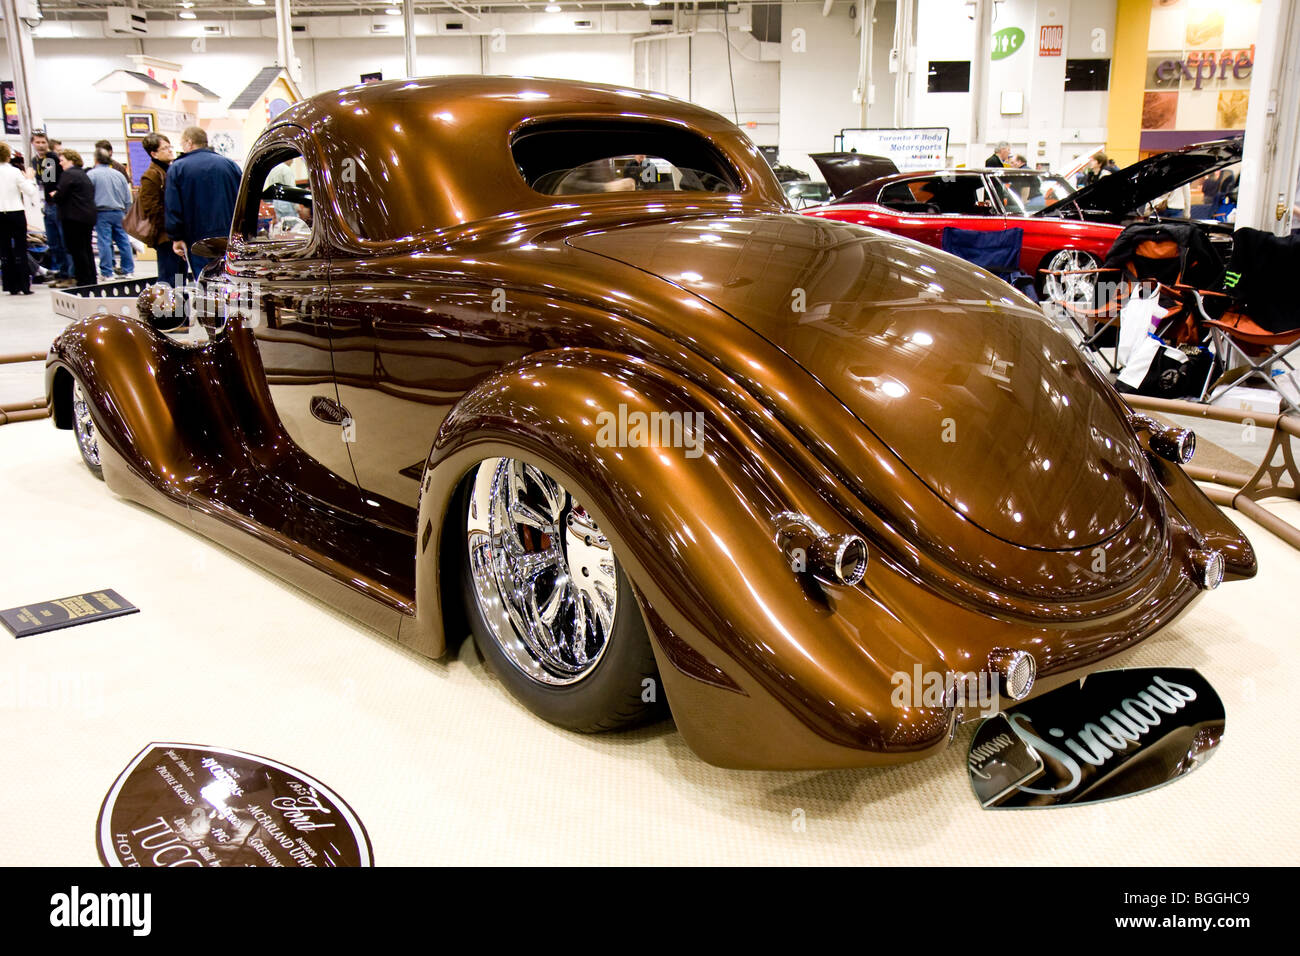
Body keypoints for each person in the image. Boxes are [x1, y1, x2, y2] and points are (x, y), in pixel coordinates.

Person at [165, 126, 241, 276]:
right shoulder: (229, 165)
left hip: (196, 237)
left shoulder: (178, 168)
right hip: (229, 234)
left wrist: (176, 237)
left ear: (189, 142)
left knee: (204, 279)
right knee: (232, 277)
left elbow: (173, 206)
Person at [138, 133, 185, 285]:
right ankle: (168, 309)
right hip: (165, 237)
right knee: (168, 279)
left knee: (180, 278)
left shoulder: (170, 170)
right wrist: (172, 226)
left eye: (170, 146)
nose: (170, 150)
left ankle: (180, 309)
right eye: (165, 148)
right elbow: (151, 209)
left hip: (176, 234)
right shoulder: (151, 176)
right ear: (154, 153)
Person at [30, 131, 73, 286]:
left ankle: (69, 274)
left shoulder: (51, 159)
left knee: (63, 241)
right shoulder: (35, 160)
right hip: (47, 204)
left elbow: (48, 181)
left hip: (57, 205)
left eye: (43, 142)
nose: (40, 145)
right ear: (32, 143)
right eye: (37, 142)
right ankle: (62, 273)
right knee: (54, 243)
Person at [51, 149, 97, 287]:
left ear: (70, 160)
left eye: (62, 160)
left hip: (73, 217)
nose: (60, 163)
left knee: (77, 250)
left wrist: (54, 195)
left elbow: (61, 195)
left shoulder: (68, 174)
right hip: (87, 217)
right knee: (87, 249)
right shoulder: (83, 174)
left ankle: (82, 279)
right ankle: (91, 278)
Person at [0, 143, 42, 295]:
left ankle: (10, 285)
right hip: (16, 212)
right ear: (7, 155)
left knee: (4, 250)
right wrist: (30, 179)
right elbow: (29, 191)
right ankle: (24, 286)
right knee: (20, 250)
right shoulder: (15, 171)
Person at [88, 147, 135, 280]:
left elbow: (88, 196)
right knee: (124, 241)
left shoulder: (92, 175)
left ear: (95, 159)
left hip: (101, 212)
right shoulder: (119, 174)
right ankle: (128, 270)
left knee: (104, 242)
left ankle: (107, 272)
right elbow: (127, 196)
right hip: (119, 212)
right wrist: (127, 211)